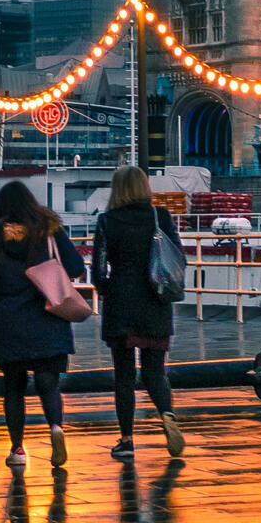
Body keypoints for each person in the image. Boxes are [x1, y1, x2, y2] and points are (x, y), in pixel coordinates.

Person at [0, 181, 84, 467]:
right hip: (48, 318)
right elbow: (77, 267)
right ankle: (56, 426)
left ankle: (18, 449)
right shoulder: (49, 229)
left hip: (10, 321)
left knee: (13, 388)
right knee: (48, 382)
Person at [92, 165, 184, 458]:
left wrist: (107, 289)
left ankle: (127, 440)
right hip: (155, 302)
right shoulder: (161, 217)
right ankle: (167, 413)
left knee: (124, 376)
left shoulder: (107, 221)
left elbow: (98, 268)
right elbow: (177, 257)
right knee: (155, 371)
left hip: (121, 303)